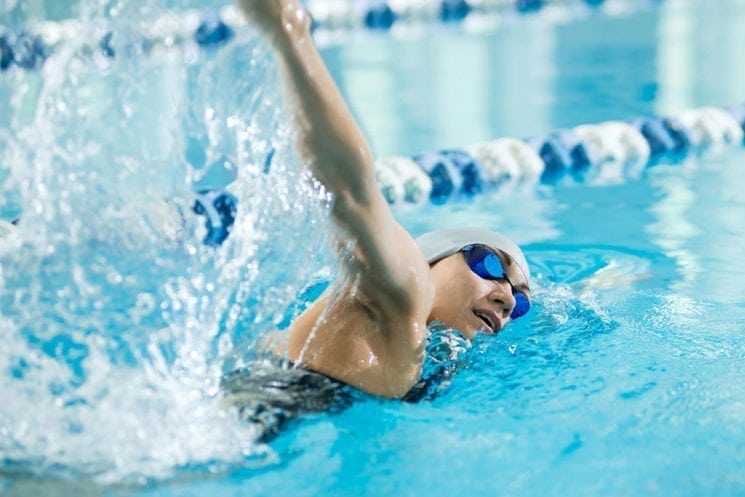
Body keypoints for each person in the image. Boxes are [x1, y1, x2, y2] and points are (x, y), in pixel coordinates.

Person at [229, 0, 531, 408]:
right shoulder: (406, 289)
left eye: (521, 301)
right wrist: (290, 33)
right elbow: (349, 186)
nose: (507, 299)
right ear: (434, 258)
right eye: (491, 265)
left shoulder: (417, 342)